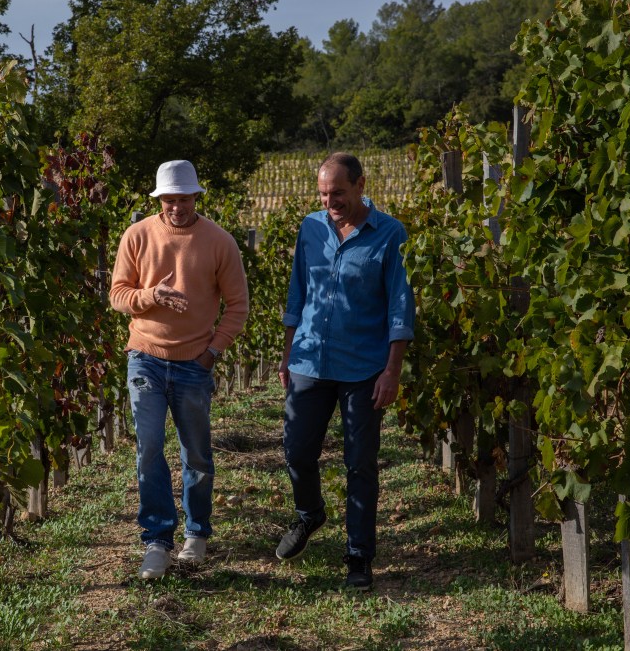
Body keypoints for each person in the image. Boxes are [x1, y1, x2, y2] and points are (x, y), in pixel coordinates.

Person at [274, 152, 415, 591]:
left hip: (363, 367)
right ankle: (310, 514)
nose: (329, 201)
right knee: (297, 450)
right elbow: (298, 292)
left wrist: (392, 370)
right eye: (323, 193)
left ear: (360, 185)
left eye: (337, 192)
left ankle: (358, 555)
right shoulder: (310, 228)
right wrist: (287, 352)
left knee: (360, 464)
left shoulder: (390, 234)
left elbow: (400, 305)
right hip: (310, 360)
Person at [109, 159, 249, 579]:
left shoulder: (220, 242)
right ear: (159, 200)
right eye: (169, 200)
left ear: (196, 197)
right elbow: (118, 295)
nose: (177, 207)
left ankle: (196, 533)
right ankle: (156, 540)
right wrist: (152, 295)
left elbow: (238, 306)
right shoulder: (137, 236)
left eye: (184, 199)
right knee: (149, 448)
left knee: (196, 453)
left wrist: (212, 352)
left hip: (194, 364)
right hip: (145, 358)